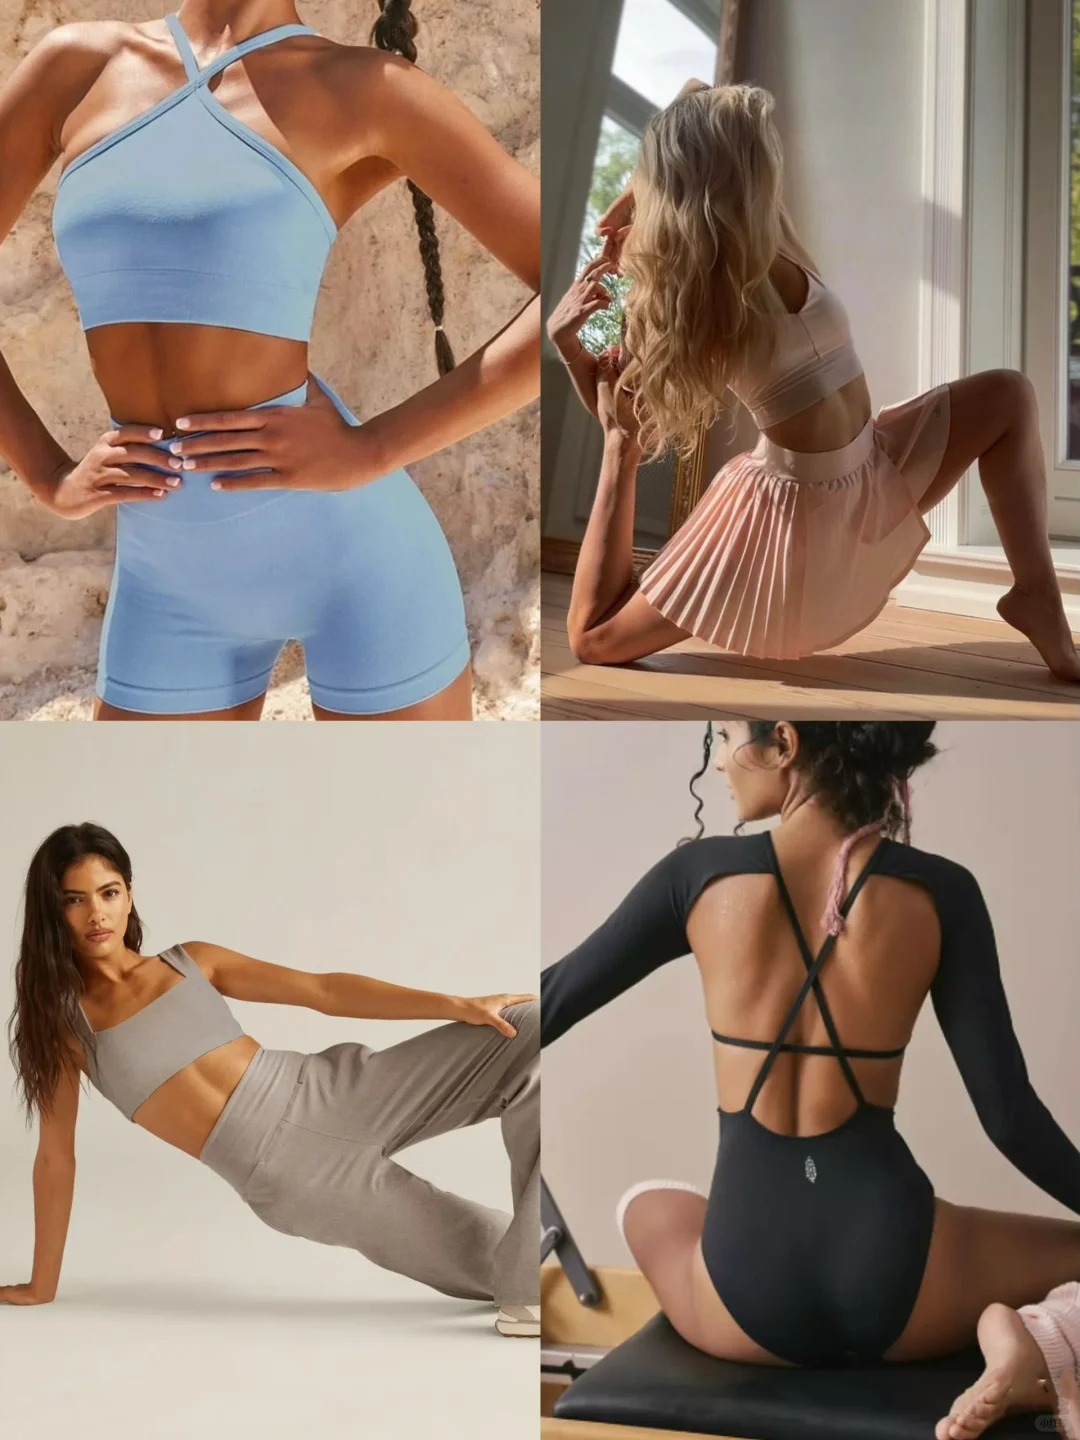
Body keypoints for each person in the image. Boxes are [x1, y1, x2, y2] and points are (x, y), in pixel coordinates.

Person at [0, 1, 540, 720]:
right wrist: (46, 474)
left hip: (357, 566)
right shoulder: (75, 67)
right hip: (166, 582)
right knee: (147, 833)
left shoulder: (367, 88)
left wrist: (374, 447)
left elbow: (610, 298)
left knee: (400, 836)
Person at [541, 721, 1080, 1429]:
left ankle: (1029, 1346)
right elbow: (1009, 1117)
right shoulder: (943, 892)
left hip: (741, 1300)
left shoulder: (698, 876)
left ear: (784, 744)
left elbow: (542, 1006)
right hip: (901, 1276)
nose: (718, 762)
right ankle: (1035, 1347)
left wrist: (438, 1024)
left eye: (726, 735)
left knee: (649, 1204)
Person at [546, 83, 1079, 684]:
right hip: (788, 521)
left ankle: (1038, 597)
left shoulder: (772, 231)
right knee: (594, 638)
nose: (769, 155)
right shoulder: (697, 291)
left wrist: (630, 196)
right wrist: (569, 350)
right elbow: (622, 411)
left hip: (873, 467)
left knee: (1008, 393)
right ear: (724, 165)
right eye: (753, 147)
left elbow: (697, 93)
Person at [2, 823, 540, 1336]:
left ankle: (531, 1284)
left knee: (534, 1027)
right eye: (74, 899)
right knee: (525, 1268)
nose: (96, 913)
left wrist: (457, 1004)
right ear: (53, 910)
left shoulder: (191, 962)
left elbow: (322, 991)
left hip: (333, 1090)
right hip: (292, 1178)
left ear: (129, 893)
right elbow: (55, 1157)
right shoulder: (62, 1027)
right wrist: (42, 1284)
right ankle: (527, 1290)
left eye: (108, 892)